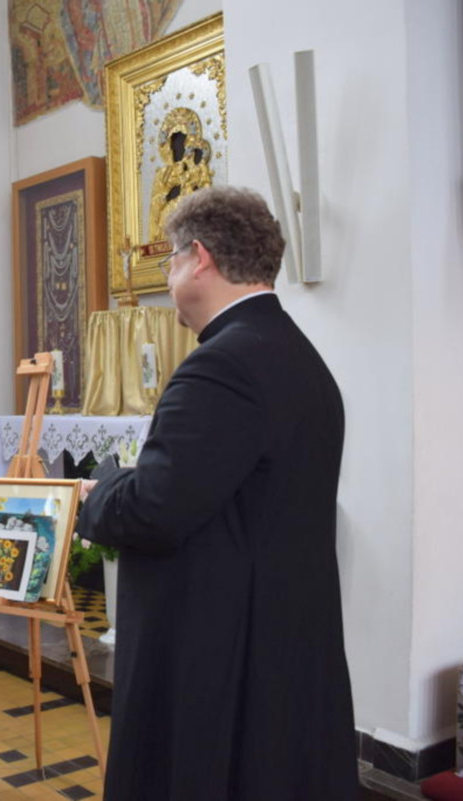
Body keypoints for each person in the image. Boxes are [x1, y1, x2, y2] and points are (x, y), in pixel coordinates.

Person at [77, 186, 357, 800]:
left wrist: (98, 490)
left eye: (171, 261)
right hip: (282, 638)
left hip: (220, 649)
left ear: (199, 257)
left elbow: (154, 510)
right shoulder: (299, 356)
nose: (168, 277)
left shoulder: (222, 366)